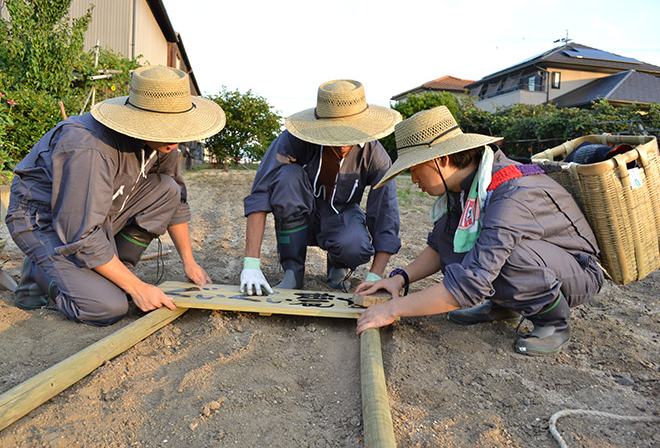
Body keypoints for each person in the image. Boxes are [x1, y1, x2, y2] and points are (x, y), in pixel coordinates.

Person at [356, 106, 604, 355]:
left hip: (577, 270)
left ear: (440, 161)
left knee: (502, 257)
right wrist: (399, 280)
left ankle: (553, 322)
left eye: (413, 169)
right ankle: (502, 306)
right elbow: (440, 245)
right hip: (542, 260)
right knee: (457, 234)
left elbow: (474, 282)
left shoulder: (511, 195)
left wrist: (392, 309)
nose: (412, 179)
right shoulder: (467, 189)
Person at [5, 65, 226, 326]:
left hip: (97, 212)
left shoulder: (164, 143)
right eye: (166, 129)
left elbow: (175, 202)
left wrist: (189, 262)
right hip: (45, 221)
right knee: (108, 307)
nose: (174, 142)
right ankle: (42, 272)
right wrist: (137, 288)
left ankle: (111, 272)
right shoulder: (89, 147)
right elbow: (80, 233)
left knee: (168, 189)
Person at [240, 79, 402, 295]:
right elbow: (260, 194)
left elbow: (385, 214)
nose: (343, 143)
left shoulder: (375, 155)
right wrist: (251, 264)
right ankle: (293, 271)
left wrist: (375, 276)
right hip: (298, 215)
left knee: (355, 244)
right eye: (336, 134)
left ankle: (338, 266)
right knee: (288, 175)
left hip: (341, 216)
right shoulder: (293, 140)